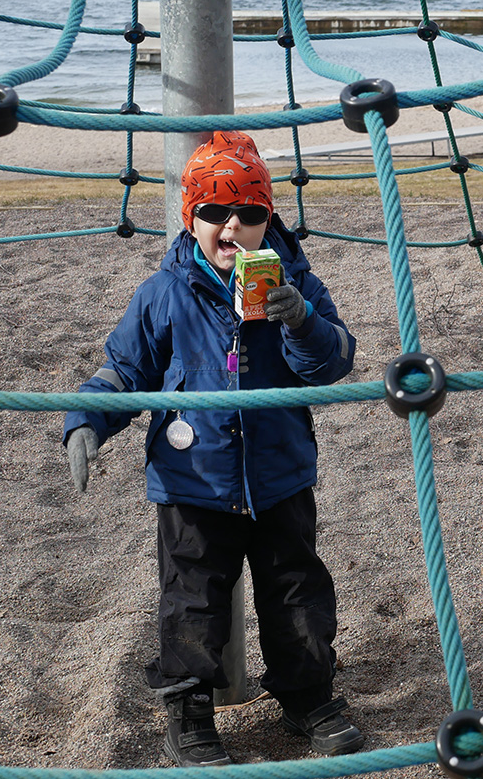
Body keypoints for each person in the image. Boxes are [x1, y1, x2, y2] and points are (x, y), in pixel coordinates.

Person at [63, 131, 362, 766]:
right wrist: (85, 420)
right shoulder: (165, 292)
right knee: (192, 597)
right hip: (191, 479)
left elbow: (333, 362)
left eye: (250, 214)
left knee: (296, 589)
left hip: (278, 472)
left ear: (269, 219)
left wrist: (301, 319)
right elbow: (124, 369)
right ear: (191, 216)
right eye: (215, 213)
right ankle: (190, 710)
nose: (233, 227)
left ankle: (308, 698)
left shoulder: (295, 279)